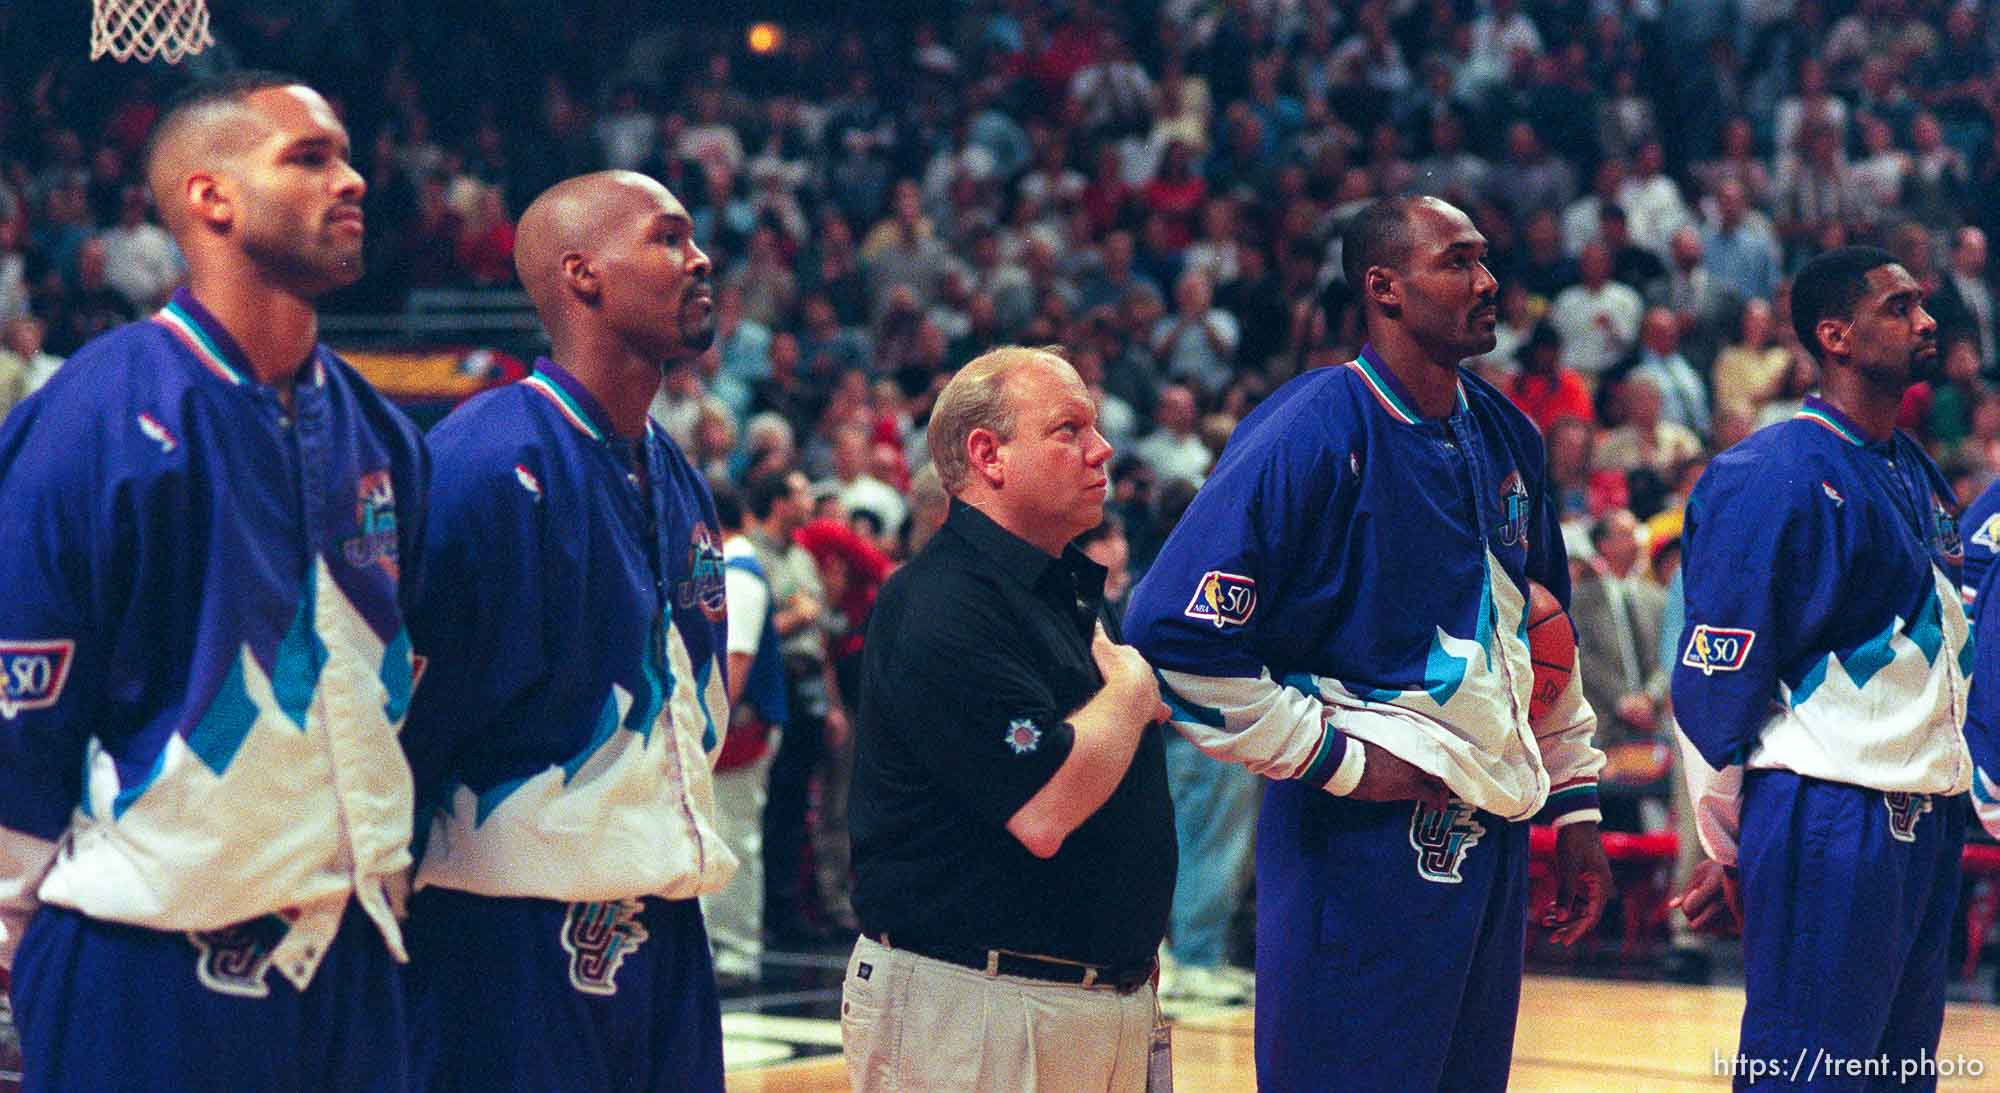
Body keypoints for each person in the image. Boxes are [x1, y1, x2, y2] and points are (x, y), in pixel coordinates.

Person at [1124, 195, 1610, 1093]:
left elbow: (1544, 633)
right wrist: (1335, 757)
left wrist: (1575, 806)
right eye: (1458, 262)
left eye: (1486, 258)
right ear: (1383, 287)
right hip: (1357, 840)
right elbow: (1171, 637)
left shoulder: (1509, 432)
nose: (1487, 281)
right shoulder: (1309, 427)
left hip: (1495, 832)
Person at [0, 72, 427, 1090]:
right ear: (210, 197)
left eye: (348, 154)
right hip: (149, 962)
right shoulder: (91, 418)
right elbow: (21, 714)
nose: (353, 179)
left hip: (354, 958)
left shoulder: (385, 437)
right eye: (310, 157)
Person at [400, 170, 734, 1092]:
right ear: (583, 274)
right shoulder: (479, 464)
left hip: (662, 915)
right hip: (503, 935)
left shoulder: (674, 470)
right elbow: (398, 727)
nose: (699, 256)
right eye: (667, 237)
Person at [1672, 247, 1976, 1090]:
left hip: (1921, 813)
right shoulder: (1773, 472)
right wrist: (1732, 844)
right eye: (1901, 307)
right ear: (1835, 336)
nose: (1927, 323)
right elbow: (1714, 679)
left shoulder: (1910, 466)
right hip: (1831, 810)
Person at [842, 346, 1176, 1091]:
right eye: (1069, 429)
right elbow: (1045, 804)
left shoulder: (1058, 589)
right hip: (978, 1009)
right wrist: (1128, 686)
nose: (1103, 449)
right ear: (988, 454)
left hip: (1096, 1002)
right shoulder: (942, 603)